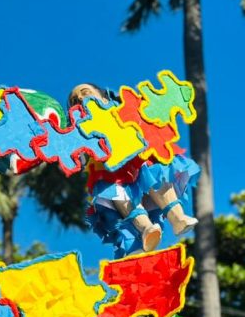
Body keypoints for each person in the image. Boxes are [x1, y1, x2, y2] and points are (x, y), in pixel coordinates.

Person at [68, 82, 200, 257]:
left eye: (85, 92)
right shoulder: (81, 130)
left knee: (153, 168)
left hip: (140, 157)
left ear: (102, 95)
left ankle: (177, 217)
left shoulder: (122, 106)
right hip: (110, 171)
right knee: (111, 189)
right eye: (74, 100)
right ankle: (144, 231)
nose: (80, 98)